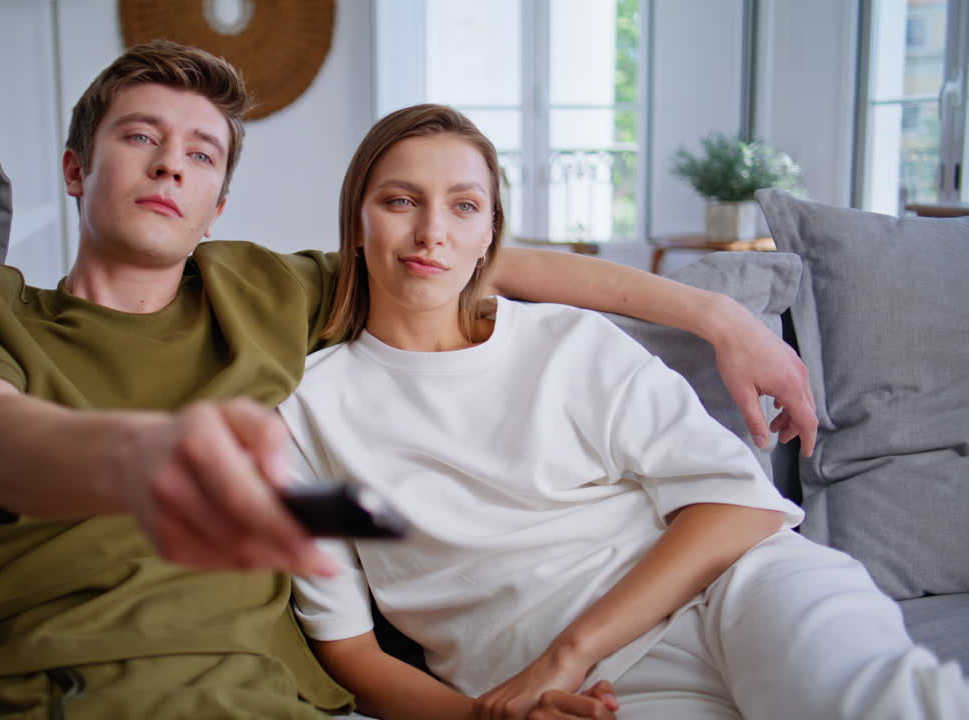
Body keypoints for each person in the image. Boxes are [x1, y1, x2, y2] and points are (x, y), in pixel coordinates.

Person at [0, 42, 820, 719]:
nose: (170, 166)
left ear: (218, 204)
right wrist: (139, 454)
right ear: (75, 168)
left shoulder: (259, 292)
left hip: (243, 696)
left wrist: (721, 317)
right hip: (13, 687)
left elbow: (465, 256)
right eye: (139, 138)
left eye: (200, 154)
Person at [280, 103, 969, 720]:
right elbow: (350, 653)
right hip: (589, 692)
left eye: (464, 205)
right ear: (356, 223)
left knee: (879, 701)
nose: (433, 231)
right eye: (401, 201)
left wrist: (568, 652)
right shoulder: (307, 412)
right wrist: (491, 716)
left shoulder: (567, 341)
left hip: (743, 587)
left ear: (491, 233)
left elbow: (740, 505)